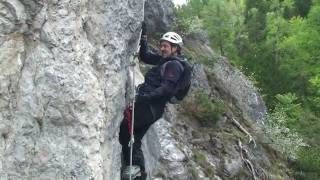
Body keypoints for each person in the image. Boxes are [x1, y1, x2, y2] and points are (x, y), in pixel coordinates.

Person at [119, 24, 186, 180]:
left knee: (126, 128)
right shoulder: (165, 61)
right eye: (162, 46)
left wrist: (144, 98)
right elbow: (146, 56)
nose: (162, 49)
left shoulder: (174, 65)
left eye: (166, 46)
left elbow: (167, 90)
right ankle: (138, 173)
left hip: (150, 106)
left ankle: (135, 169)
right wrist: (144, 38)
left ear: (175, 48)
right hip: (152, 108)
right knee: (133, 135)